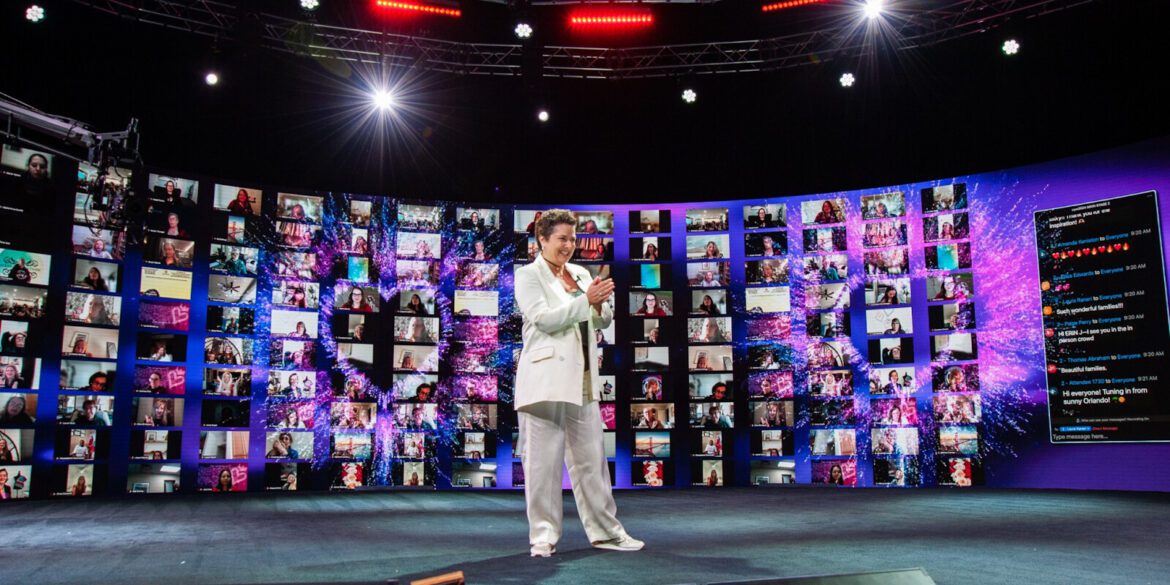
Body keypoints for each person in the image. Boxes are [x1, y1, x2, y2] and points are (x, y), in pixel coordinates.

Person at [513, 209, 642, 558]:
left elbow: (601, 321)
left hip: (582, 380)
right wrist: (587, 301)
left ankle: (607, 533)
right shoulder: (528, 275)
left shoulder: (581, 273)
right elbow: (543, 319)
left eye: (572, 239)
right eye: (562, 239)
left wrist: (600, 304)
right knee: (542, 466)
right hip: (543, 381)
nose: (569, 245)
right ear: (542, 239)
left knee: (592, 464)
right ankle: (543, 537)